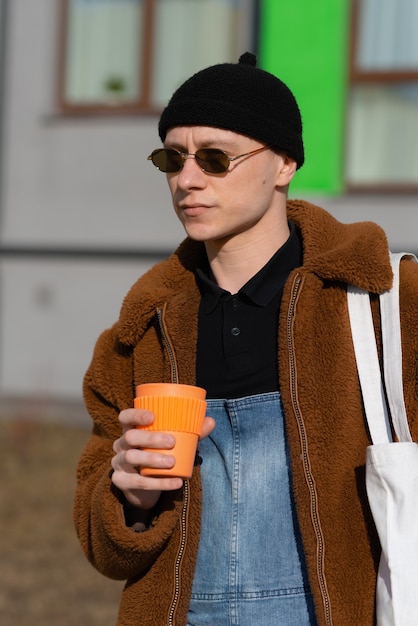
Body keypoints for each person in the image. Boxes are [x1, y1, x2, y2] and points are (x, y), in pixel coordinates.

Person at [74, 52, 418, 626]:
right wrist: (129, 497)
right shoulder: (142, 330)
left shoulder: (386, 302)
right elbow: (103, 547)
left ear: (283, 163)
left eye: (215, 157)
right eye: (172, 157)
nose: (187, 179)